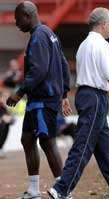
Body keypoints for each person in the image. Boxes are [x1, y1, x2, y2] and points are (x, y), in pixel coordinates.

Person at [48, 7, 109, 199]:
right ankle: (61, 189)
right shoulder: (101, 45)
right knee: (83, 145)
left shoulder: (84, 44)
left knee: (106, 146)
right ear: (102, 24)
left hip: (87, 95)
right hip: (95, 97)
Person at [6, 1, 72, 199]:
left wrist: (19, 92)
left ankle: (64, 191)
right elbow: (63, 65)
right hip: (39, 101)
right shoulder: (49, 34)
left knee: (47, 142)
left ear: (27, 15)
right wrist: (65, 94)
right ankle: (34, 190)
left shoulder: (38, 37)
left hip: (43, 100)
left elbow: (39, 70)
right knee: (27, 139)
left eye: (18, 20)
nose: (17, 24)